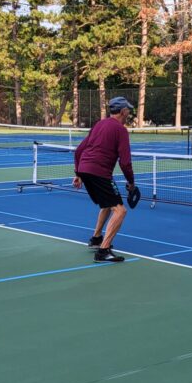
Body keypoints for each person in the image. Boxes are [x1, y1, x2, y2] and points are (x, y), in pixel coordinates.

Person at [72, 96, 137, 263]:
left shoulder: (99, 124)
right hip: (99, 172)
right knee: (120, 211)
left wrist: (78, 173)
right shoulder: (121, 130)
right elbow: (125, 162)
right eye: (128, 109)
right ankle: (103, 251)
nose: (129, 112)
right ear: (123, 111)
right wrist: (131, 182)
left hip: (86, 170)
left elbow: (79, 150)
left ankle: (96, 239)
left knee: (108, 204)